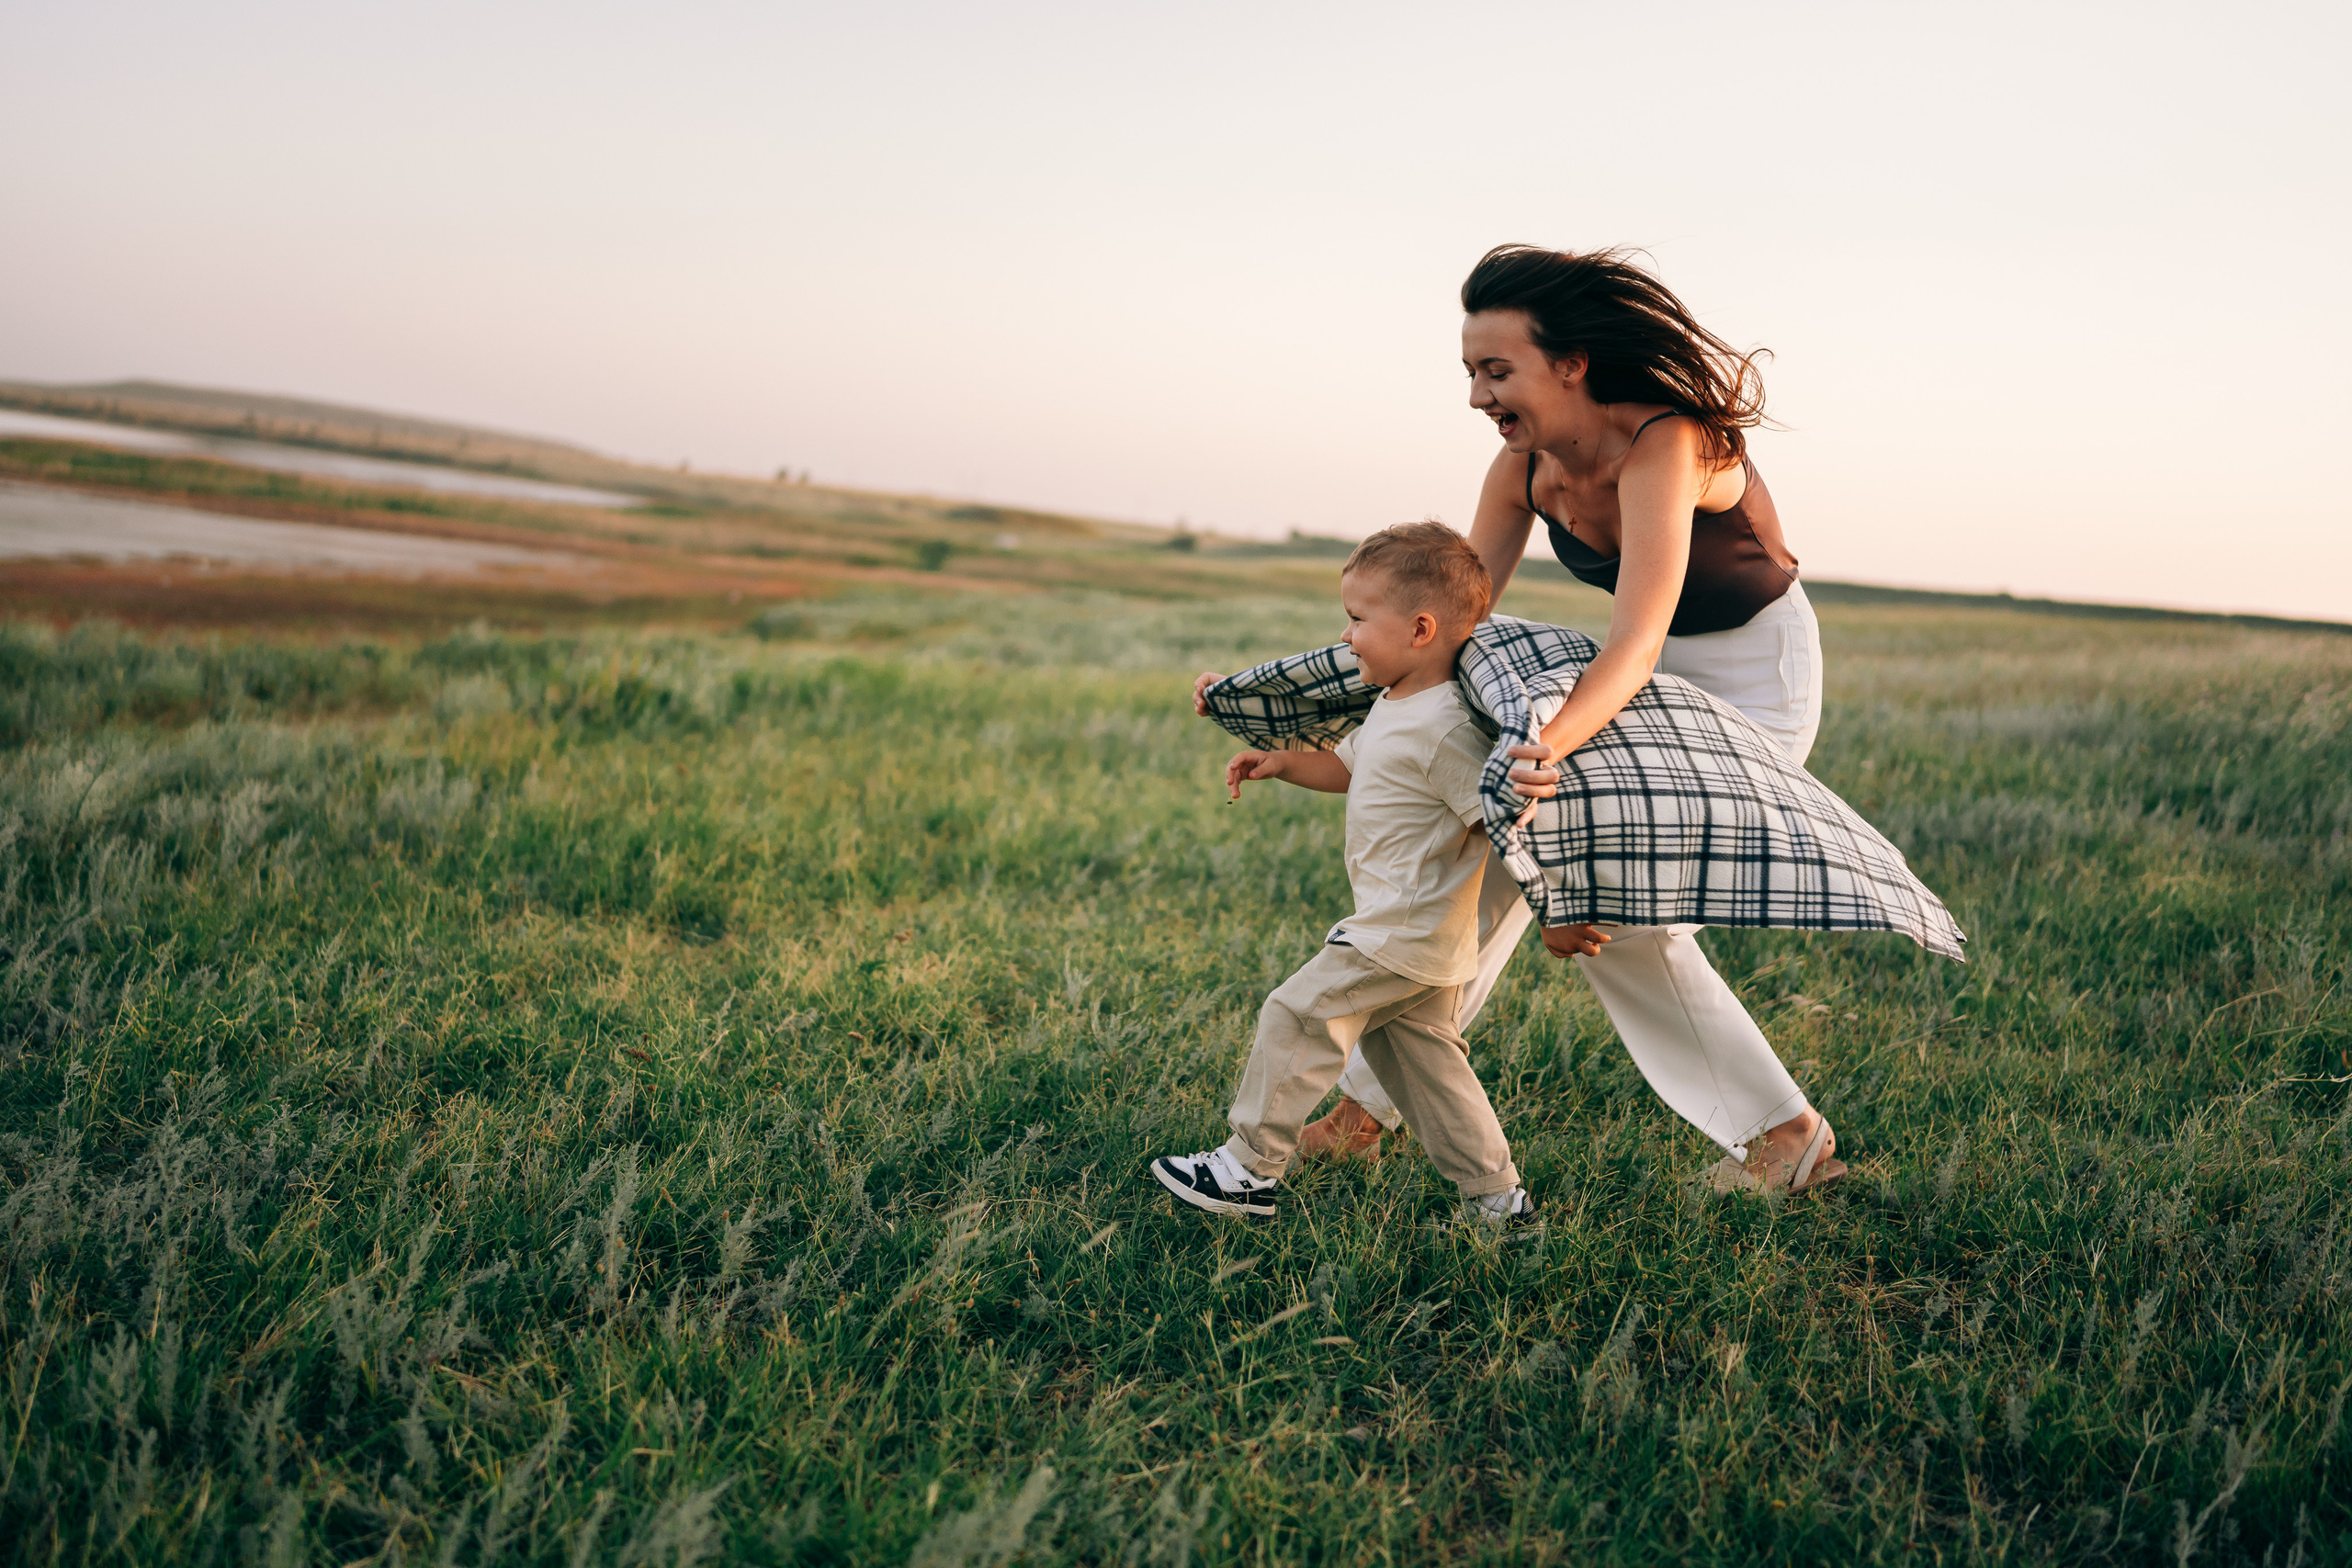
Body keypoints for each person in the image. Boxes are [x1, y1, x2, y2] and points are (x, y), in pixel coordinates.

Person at [1194, 244, 1844, 1195]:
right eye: (1469, 372)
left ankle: (1788, 1135)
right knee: (1493, 849)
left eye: (1496, 371)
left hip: (1747, 675)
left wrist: (1546, 744)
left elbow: (1637, 638)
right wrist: (1279, 693)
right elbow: (1445, 627)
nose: (1476, 396)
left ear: (1570, 363)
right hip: (1636, 676)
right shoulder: (1521, 466)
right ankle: (1365, 1109)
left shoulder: (1669, 442)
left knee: (1617, 911)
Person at [1149, 523, 1538, 1225]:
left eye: (1359, 619)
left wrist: (1558, 894)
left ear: (1420, 628)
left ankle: (1247, 1168)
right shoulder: (1395, 704)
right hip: (1420, 944)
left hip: (1399, 930)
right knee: (1430, 1075)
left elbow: (1492, 819)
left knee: (1296, 1015)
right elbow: (1350, 765)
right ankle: (1499, 1200)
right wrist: (1281, 762)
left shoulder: (1448, 727)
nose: (1348, 635)